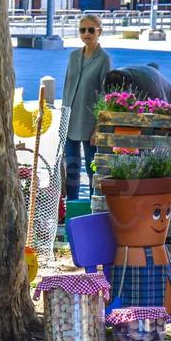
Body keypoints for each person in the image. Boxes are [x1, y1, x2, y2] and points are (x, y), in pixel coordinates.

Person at [60, 14, 112, 201]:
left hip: (90, 123)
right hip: (70, 119)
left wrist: (99, 128)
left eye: (91, 30)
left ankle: (93, 208)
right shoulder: (73, 56)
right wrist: (62, 120)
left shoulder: (104, 59)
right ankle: (71, 208)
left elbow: (105, 95)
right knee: (71, 170)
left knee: (93, 169)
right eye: (83, 30)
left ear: (100, 31)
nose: (87, 34)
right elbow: (67, 87)